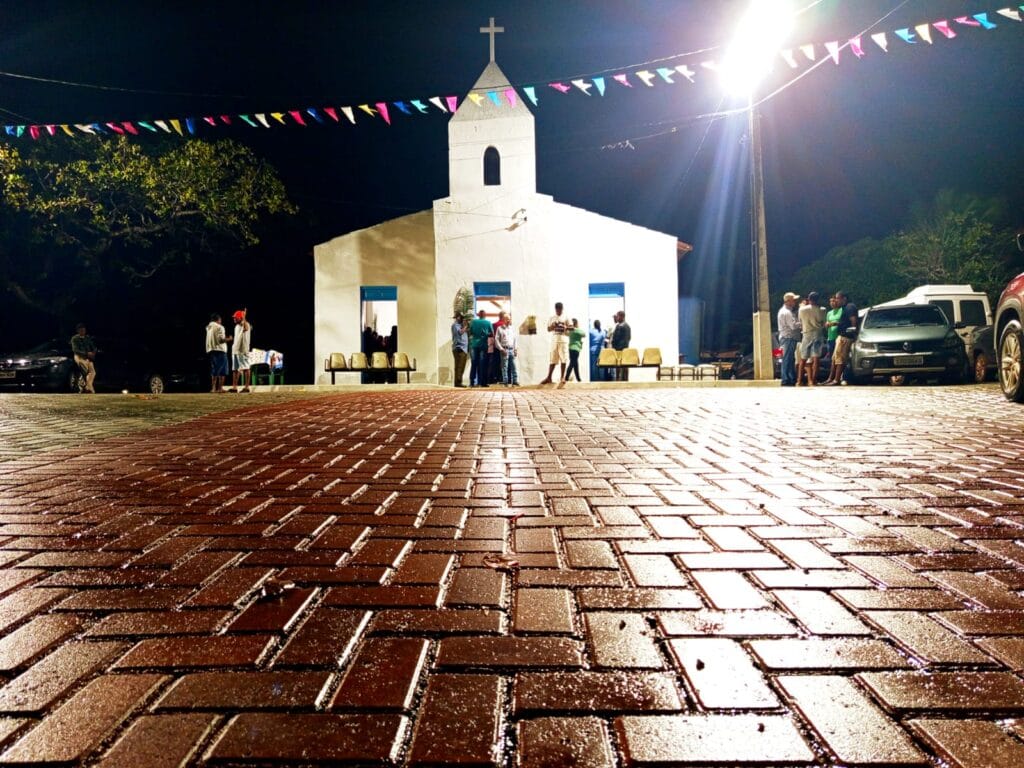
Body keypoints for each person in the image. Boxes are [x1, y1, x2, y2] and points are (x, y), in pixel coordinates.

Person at [826, 290, 858, 386]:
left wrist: (853, 332)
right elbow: (844, 322)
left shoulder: (850, 307)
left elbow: (853, 320)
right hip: (841, 336)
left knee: (840, 359)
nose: (836, 300)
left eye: (838, 298)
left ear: (844, 299)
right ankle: (830, 378)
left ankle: (836, 380)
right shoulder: (844, 308)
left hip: (846, 337)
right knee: (834, 358)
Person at [797, 291, 826, 386]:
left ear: (809, 299)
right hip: (818, 334)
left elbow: (800, 320)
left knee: (803, 359)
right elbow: (823, 323)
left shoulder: (802, 310)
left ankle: (799, 381)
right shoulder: (823, 309)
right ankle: (813, 380)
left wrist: (802, 305)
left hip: (806, 334)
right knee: (816, 358)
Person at [539, 302, 569, 384]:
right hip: (554, 339)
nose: (558, 311)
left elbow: (572, 327)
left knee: (564, 358)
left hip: (563, 339)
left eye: (559, 309)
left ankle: (562, 377)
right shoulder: (552, 318)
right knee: (553, 359)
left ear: (562, 309)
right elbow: (548, 329)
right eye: (557, 309)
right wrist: (553, 325)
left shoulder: (566, 317)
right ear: (555, 309)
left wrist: (565, 327)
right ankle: (549, 377)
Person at [777, 292, 801, 386]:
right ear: (788, 301)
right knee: (787, 359)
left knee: (789, 359)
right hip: (788, 337)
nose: (795, 302)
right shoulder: (787, 312)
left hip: (786, 337)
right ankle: (786, 379)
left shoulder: (784, 311)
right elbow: (793, 326)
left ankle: (790, 378)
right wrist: (802, 323)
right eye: (793, 300)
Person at [205, 313, 232, 393]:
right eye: (220, 320)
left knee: (214, 369)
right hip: (220, 350)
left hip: (211, 350)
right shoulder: (220, 327)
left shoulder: (208, 327)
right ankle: (219, 388)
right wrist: (229, 339)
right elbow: (221, 340)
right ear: (218, 320)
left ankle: (213, 388)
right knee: (222, 370)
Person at [70, 323, 97, 393]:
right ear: (78, 331)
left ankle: (87, 387)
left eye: (84, 330)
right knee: (84, 370)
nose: (83, 332)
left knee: (93, 372)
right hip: (79, 356)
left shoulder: (88, 338)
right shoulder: (74, 338)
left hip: (88, 357)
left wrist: (93, 353)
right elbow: (75, 350)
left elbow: (93, 347)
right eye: (81, 330)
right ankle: (85, 387)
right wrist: (86, 353)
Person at [468, 309, 493, 387]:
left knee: (474, 363)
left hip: (474, 345)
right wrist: (486, 334)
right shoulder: (488, 322)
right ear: (485, 315)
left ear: (478, 315)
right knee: (482, 364)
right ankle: (481, 382)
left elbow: (470, 332)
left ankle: (472, 382)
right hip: (483, 345)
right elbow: (491, 334)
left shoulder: (473, 322)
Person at [230, 309, 253, 393]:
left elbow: (246, 328)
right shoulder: (236, 326)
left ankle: (247, 387)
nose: (234, 319)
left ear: (241, 318)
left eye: (236, 318)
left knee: (246, 368)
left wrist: (244, 317)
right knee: (235, 369)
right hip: (235, 350)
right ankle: (234, 387)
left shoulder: (246, 324)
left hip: (243, 350)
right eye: (234, 317)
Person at [495, 312, 519, 386]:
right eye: (507, 319)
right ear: (503, 320)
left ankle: (514, 381)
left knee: (513, 366)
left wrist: (515, 349)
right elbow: (496, 340)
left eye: (509, 319)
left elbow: (515, 339)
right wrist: (501, 349)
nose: (508, 320)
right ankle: (505, 382)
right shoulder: (500, 329)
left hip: (511, 349)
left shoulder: (512, 329)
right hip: (504, 349)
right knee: (504, 366)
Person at [611, 310, 632, 381]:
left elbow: (619, 339)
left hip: (620, 349)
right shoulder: (623, 326)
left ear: (622, 317)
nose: (616, 318)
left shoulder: (622, 326)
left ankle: (620, 380)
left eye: (617, 316)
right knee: (622, 366)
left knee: (621, 366)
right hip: (622, 349)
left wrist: (615, 347)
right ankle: (622, 380)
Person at [451, 312, 468, 387]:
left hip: (463, 348)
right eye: (461, 318)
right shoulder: (455, 325)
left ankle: (458, 382)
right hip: (459, 348)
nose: (462, 319)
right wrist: (465, 326)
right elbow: (460, 333)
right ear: (458, 317)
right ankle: (458, 383)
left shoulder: (460, 325)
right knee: (459, 366)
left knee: (461, 366)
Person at [824, 295, 842, 361]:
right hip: (830, 338)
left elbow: (843, 323)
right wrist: (826, 325)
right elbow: (826, 325)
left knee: (838, 357)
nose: (832, 303)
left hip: (838, 338)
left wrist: (834, 323)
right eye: (830, 301)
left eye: (833, 301)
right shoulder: (829, 313)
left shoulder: (841, 310)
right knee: (831, 358)